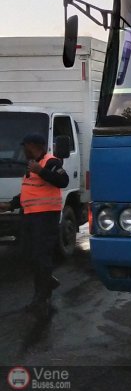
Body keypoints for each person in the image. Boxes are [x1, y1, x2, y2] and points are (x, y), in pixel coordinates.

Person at [0, 133, 69, 317]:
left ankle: (41, 298)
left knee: (41, 256)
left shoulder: (50, 162)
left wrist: (41, 171)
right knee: (28, 253)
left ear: (33, 145)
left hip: (45, 217)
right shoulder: (31, 165)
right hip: (30, 216)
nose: (23, 149)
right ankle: (48, 281)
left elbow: (63, 181)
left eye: (25, 146)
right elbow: (29, 191)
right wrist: (11, 205)